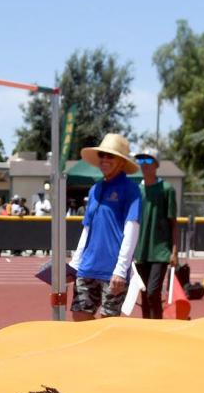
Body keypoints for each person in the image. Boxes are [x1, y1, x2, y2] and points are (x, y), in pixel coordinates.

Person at [69, 134, 142, 321]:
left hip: (112, 270)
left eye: (110, 156)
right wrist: (75, 265)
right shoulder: (95, 189)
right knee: (79, 317)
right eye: (102, 155)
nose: (104, 160)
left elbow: (132, 229)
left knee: (107, 327)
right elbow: (87, 229)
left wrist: (120, 269)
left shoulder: (131, 190)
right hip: (87, 267)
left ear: (121, 162)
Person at [132, 149, 178, 319]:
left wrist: (174, 251)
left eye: (149, 161)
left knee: (153, 292)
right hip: (141, 251)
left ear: (157, 165)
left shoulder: (167, 189)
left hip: (160, 251)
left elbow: (174, 224)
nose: (144, 164)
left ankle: (158, 328)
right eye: (141, 161)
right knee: (144, 295)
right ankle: (147, 331)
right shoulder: (136, 191)